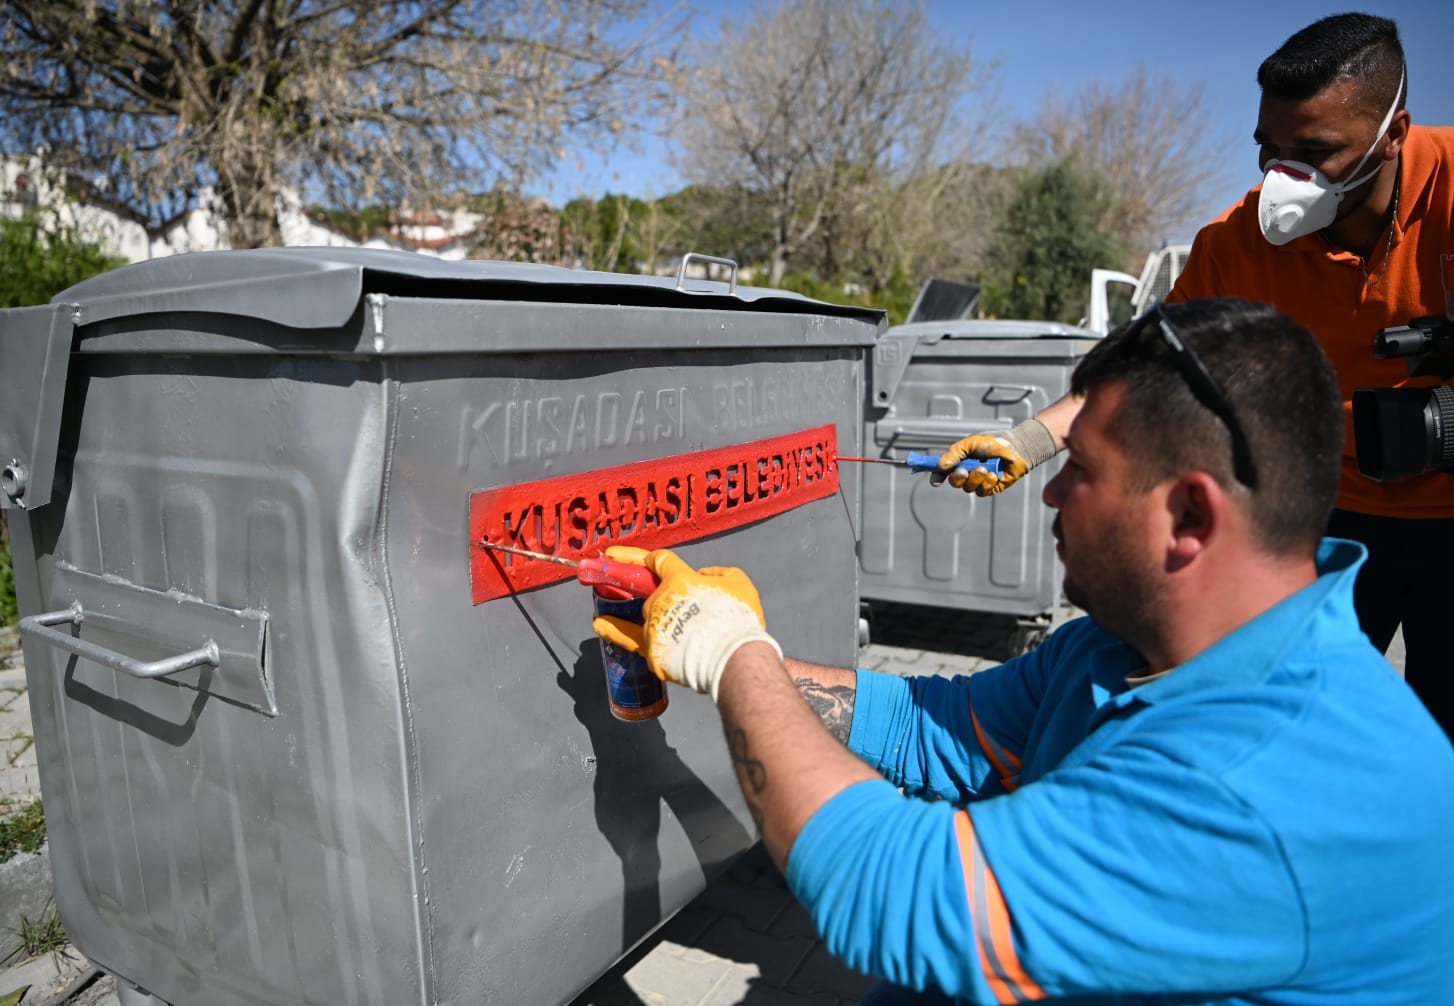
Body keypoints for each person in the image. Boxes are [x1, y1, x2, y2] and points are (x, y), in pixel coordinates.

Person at [592, 297, 1454, 1005]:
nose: (1050, 488)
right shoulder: (1120, 649)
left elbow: (892, 895)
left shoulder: (1274, 781)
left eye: (1078, 466)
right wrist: (725, 642)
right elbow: (935, 726)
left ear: (1189, 518)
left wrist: (735, 656)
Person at [932, 13, 1454, 736]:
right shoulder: (1239, 242)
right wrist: (1029, 441)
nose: (1283, 178)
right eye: (1269, 149)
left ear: (1392, 134)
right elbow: (1149, 361)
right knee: (1293, 728)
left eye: (1315, 151)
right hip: (1330, 519)